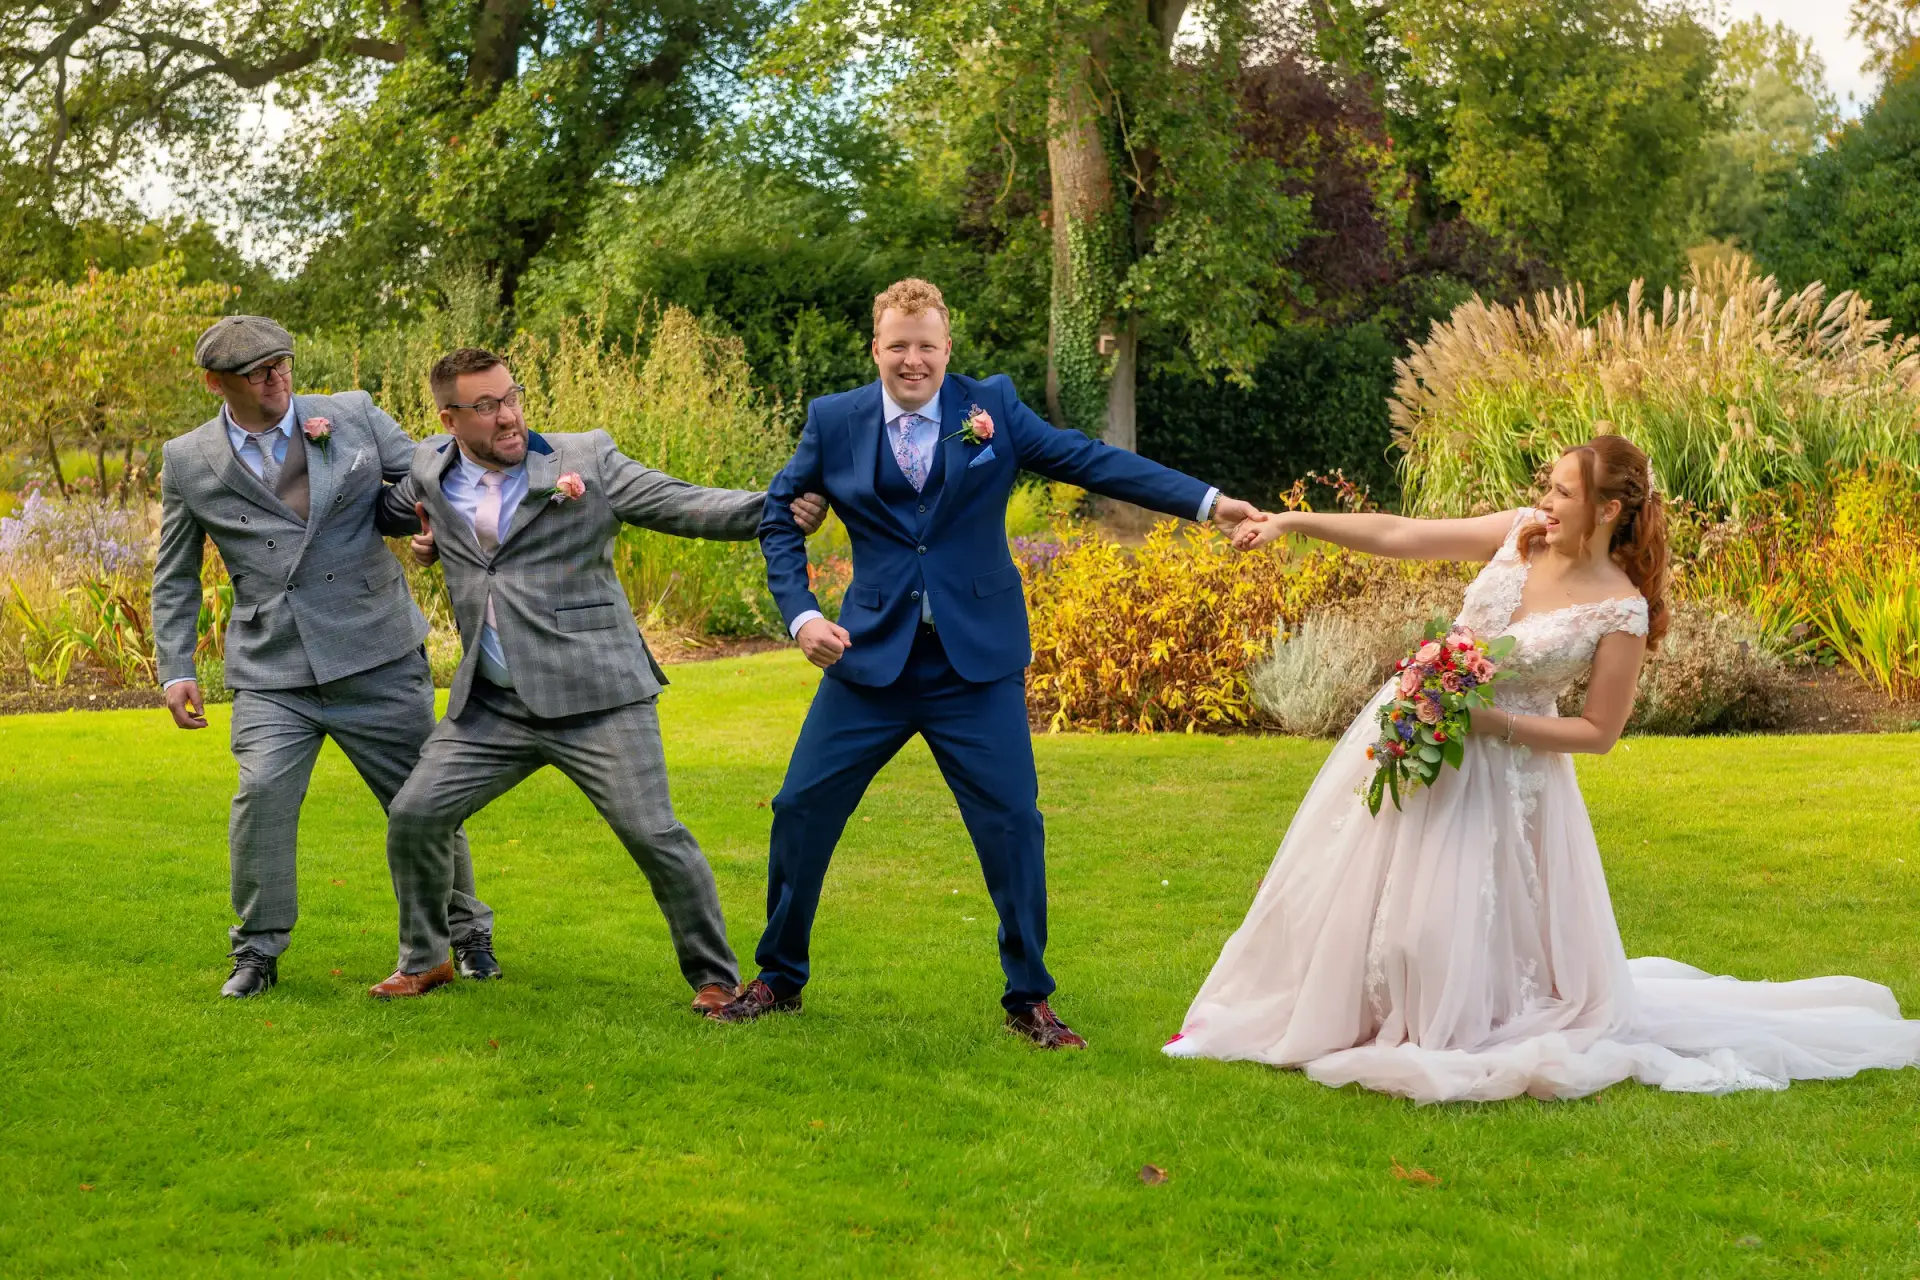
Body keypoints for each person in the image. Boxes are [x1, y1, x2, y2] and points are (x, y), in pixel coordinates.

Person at [1164, 435, 1920, 1101]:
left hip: (1503, 775)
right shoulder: (1519, 536)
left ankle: (1454, 1017)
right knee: (1341, 895)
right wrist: (1292, 522)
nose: (1545, 502)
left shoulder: (1618, 610)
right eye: (1548, 488)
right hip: (1413, 734)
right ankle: (1328, 1010)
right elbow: (1401, 532)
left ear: (1609, 509)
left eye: (1562, 492)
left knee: (1439, 927)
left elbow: (1598, 733)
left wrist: (1492, 722)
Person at [712, 278, 1266, 1047]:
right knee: (800, 809)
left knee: (1011, 824)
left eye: (927, 346)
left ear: (947, 349)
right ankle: (778, 977)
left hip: (975, 666)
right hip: (868, 660)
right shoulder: (833, 421)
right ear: (874, 347)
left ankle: (1028, 998)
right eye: (898, 345)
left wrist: (1210, 504)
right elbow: (782, 515)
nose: (913, 360)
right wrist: (803, 614)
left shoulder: (992, 409)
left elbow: (1091, 461)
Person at [371, 347, 826, 1006]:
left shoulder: (583, 461)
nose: (508, 415)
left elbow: (683, 504)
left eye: (512, 396)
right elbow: (392, 509)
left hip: (598, 697)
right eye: (488, 405)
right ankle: (425, 959)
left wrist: (778, 508)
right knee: (414, 815)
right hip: (493, 707)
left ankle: (715, 977)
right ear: (448, 418)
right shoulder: (428, 469)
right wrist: (422, 538)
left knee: (654, 835)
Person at [152, 315, 495, 998]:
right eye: (258, 371)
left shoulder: (352, 414)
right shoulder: (188, 458)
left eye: (282, 363)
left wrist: (430, 530)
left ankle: (468, 932)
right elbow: (176, 571)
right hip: (272, 664)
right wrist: (176, 665)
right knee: (261, 798)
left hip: (375, 649)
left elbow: (418, 488)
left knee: (420, 804)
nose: (277, 378)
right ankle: (256, 953)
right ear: (216, 383)